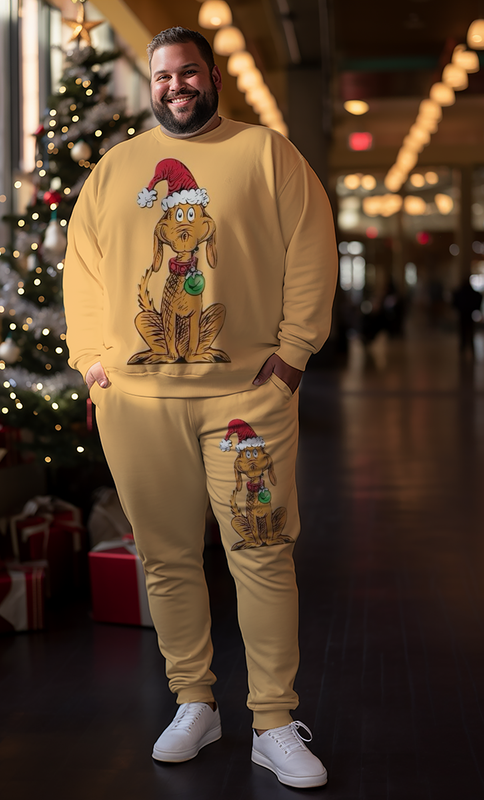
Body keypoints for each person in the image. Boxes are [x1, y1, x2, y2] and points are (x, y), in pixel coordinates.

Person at [63, 27, 337, 789]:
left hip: (247, 398)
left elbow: (313, 250)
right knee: (169, 559)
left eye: (188, 72)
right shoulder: (114, 170)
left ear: (213, 77)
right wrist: (92, 365)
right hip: (138, 404)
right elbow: (81, 273)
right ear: (150, 85)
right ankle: (195, 703)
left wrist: (291, 357)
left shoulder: (266, 154)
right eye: (162, 76)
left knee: (261, 551)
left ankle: (273, 720)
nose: (175, 85)